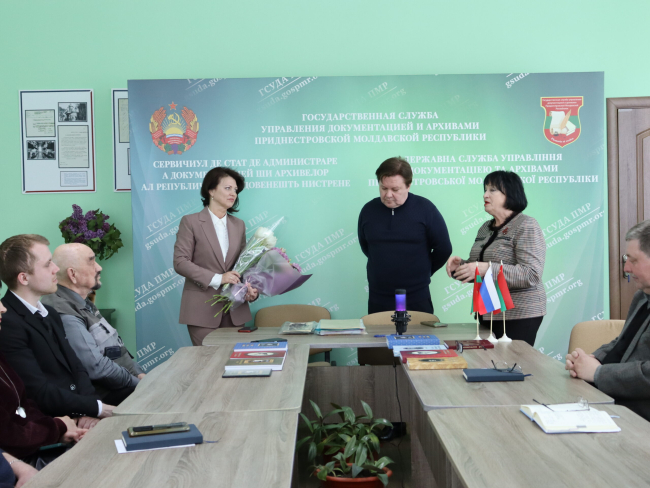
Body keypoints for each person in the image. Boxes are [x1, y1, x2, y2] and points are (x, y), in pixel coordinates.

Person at [0, 234, 114, 429]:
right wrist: (95, 409)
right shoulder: (7, 322)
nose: (56, 269)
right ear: (24, 278)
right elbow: (38, 391)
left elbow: (77, 368)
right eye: (47, 264)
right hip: (52, 424)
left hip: (79, 413)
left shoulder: (50, 313)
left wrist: (90, 410)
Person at [446, 171, 546, 346]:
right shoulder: (485, 228)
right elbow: (480, 268)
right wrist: (461, 266)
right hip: (489, 312)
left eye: (492, 190)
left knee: (513, 362)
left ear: (510, 194)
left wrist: (487, 269)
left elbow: (531, 274)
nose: (485, 195)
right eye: (485, 190)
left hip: (519, 314)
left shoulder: (526, 225)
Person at [566, 220, 650, 421]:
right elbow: (623, 342)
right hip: (615, 402)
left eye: (633, 260)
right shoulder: (641, 296)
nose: (626, 268)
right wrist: (591, 360)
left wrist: (598, 373)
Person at [41, 243, 144, 406]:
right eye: (91, 261)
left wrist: (138, 374)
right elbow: (96, 367)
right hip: (107, 397)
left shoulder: (81, 301)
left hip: (125, 385)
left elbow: (117, 350)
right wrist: (139, 384)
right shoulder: (64, 311)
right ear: (72, 274)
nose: (99, 267)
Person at [0, 280, 86, 463]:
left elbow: (24, 405)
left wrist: (60, 429)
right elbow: (9, 437)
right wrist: (58, 426)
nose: (3, 309)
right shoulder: (12, 327)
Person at [174, 168, 259, 346]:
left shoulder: (239, 225)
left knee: (234, 360)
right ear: (211, 190)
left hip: (235, 308)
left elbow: (243, 265)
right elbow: (180, 262)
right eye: (228, 188)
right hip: (201, 310)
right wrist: (219, 278)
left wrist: (250, 289)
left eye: (235, 190)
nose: (233, 193)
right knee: (207, 361)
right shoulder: (190, 222)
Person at [358, 157, 452, 314]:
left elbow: (444, 248)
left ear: (408, 185)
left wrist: (424, 271)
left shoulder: (425, 209)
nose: (388, 194)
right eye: (383, 188)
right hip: (379, 297)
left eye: (395, 190)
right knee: (378, 331)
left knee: (419, 331)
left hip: (416, 296)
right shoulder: (368, 211)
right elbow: (366, 246)